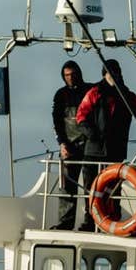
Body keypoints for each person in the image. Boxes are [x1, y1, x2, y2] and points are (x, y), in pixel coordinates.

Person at [75, 58, 136, 165]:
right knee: (92, 182)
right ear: (104, 75)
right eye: (109, 72)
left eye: (116, 72)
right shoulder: (95, 93)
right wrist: (92, 134)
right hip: (94, 151)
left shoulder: (126, 95)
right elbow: (81, 116)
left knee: (114, 182)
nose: (113, 75)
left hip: (115, 152)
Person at [50, 60, 92, 230]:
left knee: (92, 186)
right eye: (67, 75)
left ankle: (91, 222)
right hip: (70, 145)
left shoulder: (90, 90)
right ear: (63, 76)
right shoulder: (60, 95)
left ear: (79, 73)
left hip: (90, 145)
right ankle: (66, 223)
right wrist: (62, 143)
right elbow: (56, 122)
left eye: (73, 74)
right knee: (67, 186)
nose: (71, 78)